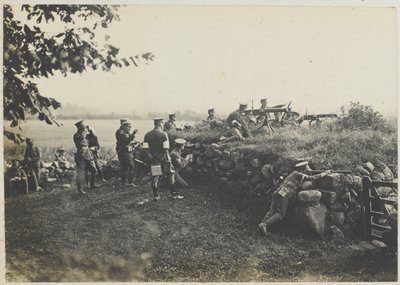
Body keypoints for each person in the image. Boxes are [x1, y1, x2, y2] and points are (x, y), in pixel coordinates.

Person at [258, 161, 332, 236]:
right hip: (284, 194)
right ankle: (265, 225)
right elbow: (311, 178)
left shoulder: (293, 173)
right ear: (303, 169)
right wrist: (324, 174)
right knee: (280, 214)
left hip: (277, 193)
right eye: (308, 167)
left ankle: (261, 224)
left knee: (271, 211)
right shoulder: (298, 174)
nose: (309, 169)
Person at [143, 117, 183, 201]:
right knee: (170, 175)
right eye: (162, 123)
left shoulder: (147, 134)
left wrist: (152, 158)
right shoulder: (164, 134)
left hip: (154, 160)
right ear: (159, 124)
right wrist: (161, 158)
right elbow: (166, 149)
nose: (163, 125)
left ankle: (156, 196)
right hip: (165, 160)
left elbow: (145, 149)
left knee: (155, 178)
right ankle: (173, 194)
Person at [73, 120, 97, 194]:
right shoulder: (76, 135)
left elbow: (91, 140)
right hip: (80, 155)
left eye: (84, 126)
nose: (84, 128)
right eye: (82, 126)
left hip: (87, 154)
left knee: (94, 170)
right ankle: (79, 190)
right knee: (80, 173)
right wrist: (84, 134)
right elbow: (80, 141)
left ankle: (92, 185)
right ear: (78, 127)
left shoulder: (85, 135)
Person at [115, 121, 138, 187]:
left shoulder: (123, 131)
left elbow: (127, 141)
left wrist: (132, 142)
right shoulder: (121, 132)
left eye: (130, 127)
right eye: (128, 127)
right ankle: (129, 182)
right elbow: (127, 140)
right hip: (124, 152)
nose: (130, 128)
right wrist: (133, 134)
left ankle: (124, 182)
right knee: (131, 166)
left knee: (124, 167)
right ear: (124, 126)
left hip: (125, 151)